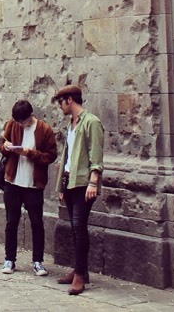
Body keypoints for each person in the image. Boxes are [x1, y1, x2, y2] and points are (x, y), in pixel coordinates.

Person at [53, 84, 104, 296]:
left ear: (70, 100)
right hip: (70, 181)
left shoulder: (91, 122)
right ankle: (79, 269)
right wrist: (61, 185)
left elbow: (96, 154)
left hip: (84, 183)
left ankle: (80, 276)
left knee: (79, 225)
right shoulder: (71, 124)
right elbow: (68, 157)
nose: (60, 106)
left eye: (61, 102)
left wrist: (93, 181)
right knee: (75, 228)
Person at [0, 99, 57, 277]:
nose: (20, 125)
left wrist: (29, 153)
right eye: (17, 122)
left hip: (33, 185)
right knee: (11, 222)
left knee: (37, 223)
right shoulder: (12, 125)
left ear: (30, 116)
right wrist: (7, 147)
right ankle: (9, 259)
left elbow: (51, 156)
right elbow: (2, 147)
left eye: (22, 122)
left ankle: (38, 261)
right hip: (12, 182)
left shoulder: (44, 130)